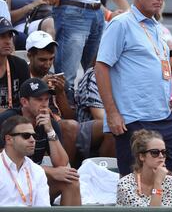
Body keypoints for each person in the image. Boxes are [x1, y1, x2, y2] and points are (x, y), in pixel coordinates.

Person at [95, 0, 172, 176]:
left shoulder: (157, 27)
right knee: (136, 184)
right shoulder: (121, 23)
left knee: (165, 181)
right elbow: (101, 67)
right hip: (134, 118)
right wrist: (112, 113)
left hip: (163, 116)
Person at [26, 30, 114, 165]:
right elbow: (19, 108)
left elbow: (71, 116)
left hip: (63, 123)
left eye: (51, 59)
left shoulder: (57, 78)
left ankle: (102, 174)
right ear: (30, 56)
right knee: (69, 126)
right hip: (37, 123)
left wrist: (60, 93)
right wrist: (40, 87)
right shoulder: (22, 75)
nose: (47, 64)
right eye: (42, 60)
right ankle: (67, 171)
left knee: (110, 125)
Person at [0, 77, 81, 205]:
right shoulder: (7, 120)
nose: (44, 104)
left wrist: (49, 130)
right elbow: (4, 161)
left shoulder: (50, 123)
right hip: (9, 178)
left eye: (47, 99)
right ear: (24, 101)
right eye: (39, 99)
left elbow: (61, 163)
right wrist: (50, 171)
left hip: (34, 179)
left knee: (71, 181)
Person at [33, 0, 105, 91]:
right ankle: (64, 110)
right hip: (72, 9)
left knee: (94, 77)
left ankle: (87, 110)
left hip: (96, 10)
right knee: (66, 79)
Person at [117, 129, 172, 206]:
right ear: (142, 156)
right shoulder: (125, 184)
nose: (161, 156)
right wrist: (158, 183)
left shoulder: (170, 182)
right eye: (155, 152)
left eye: (163, 152)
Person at [0, 115, 50, 206]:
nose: (32, 140)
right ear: (8, 139)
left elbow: (43, 208)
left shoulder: (37, 171)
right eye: (26, 135)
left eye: (34, 136)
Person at [0, 17, 30, 112]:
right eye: (2, 37)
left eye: (10, 36)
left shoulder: (21, 65)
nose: (8, 41)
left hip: (16, 120)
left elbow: (28, 101)